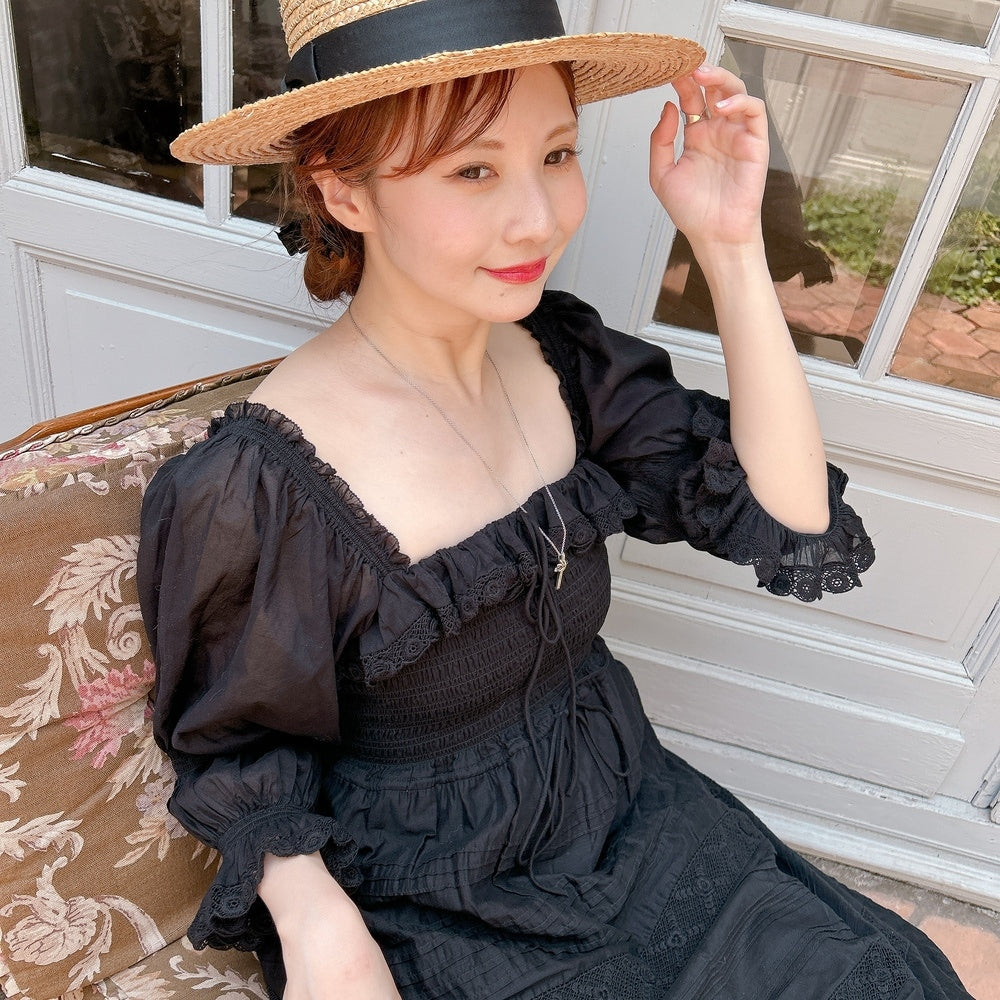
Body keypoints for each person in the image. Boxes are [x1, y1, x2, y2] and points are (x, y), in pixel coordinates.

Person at [137, 2, 971, 998]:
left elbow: (789, 515)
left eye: (558, 154)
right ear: (342, 189)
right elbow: (238, 744)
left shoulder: (563, 358)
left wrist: (728, 244)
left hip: (629, 813)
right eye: (472, 170)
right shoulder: (259, 487)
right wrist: (314, 916)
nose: (539, 218)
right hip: (440, 899)